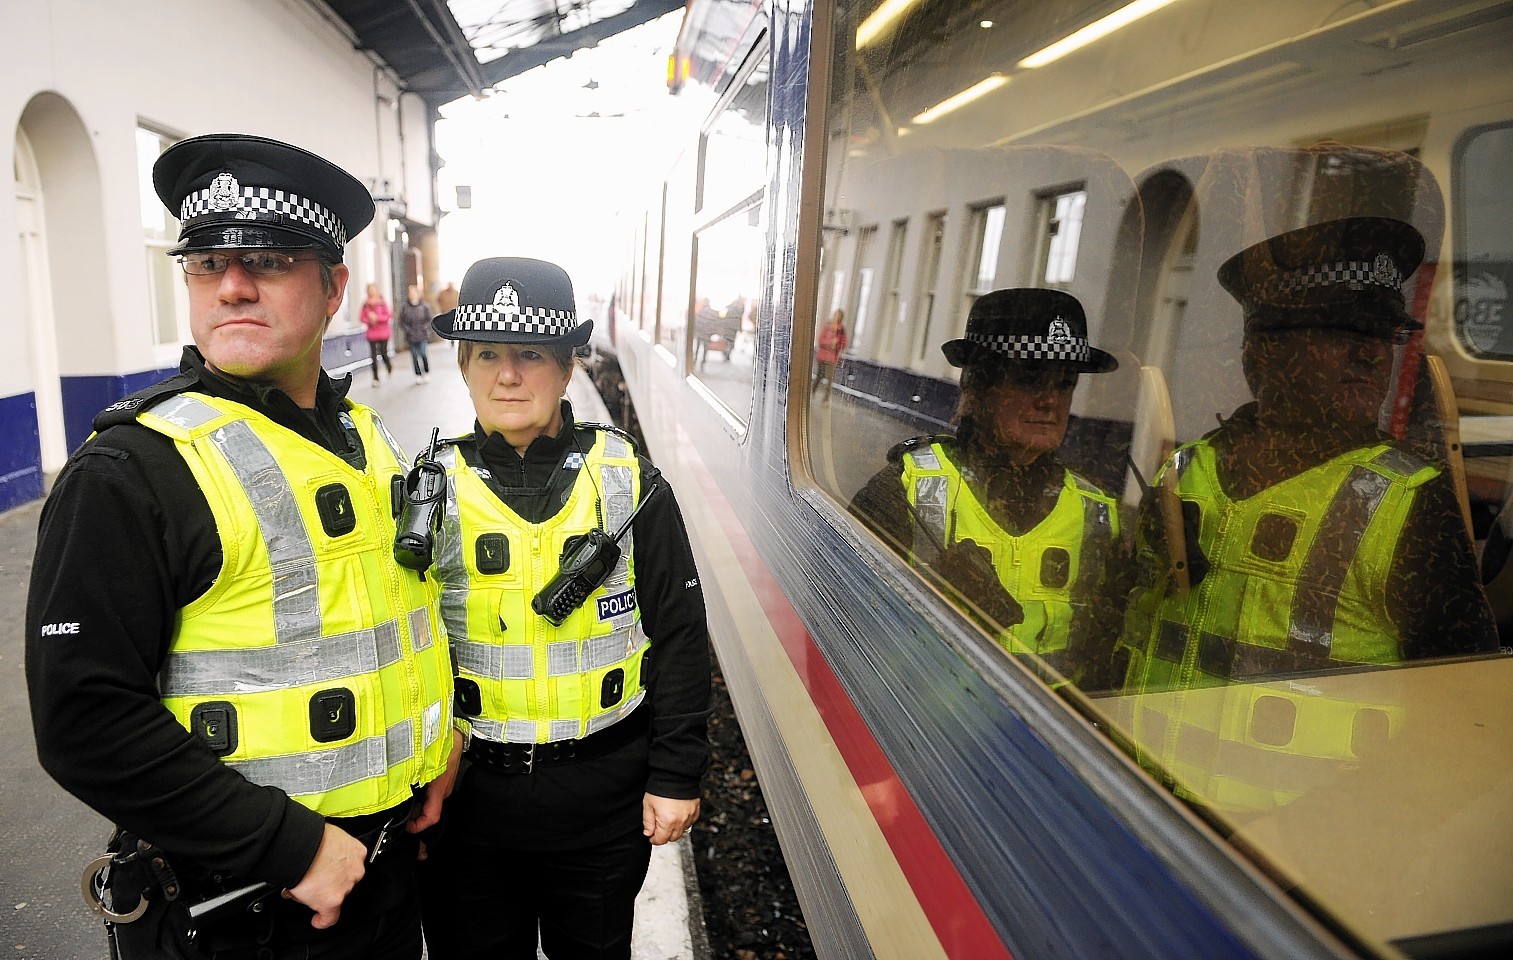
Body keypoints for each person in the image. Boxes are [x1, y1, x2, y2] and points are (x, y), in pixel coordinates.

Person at [25, 133, 461, 960]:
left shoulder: (361, 438)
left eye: (264, 259)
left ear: (333, 286)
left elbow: (389, 617)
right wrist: (289, 847)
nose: (230, 285)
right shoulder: (133, 469)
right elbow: (85, 719)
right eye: (203, 262)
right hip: (241, 908)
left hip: (382, 877)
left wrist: (436, 744)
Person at [1113, 215, 1500, 814]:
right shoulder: (1185, 472)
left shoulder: (1410, 505)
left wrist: (1301, 852)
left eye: (1381, 336)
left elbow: (1466, 727)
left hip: (1288, 879)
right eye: (1340, 331)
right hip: (1132, 819)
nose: (1371, 354)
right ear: (1262, 350)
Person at [416, 257, 712, 960]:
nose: (508, 375)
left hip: (601, 802)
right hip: (467, 807)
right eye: (487, 353)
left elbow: (678, 630)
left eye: (531, 354)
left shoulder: (629, 481)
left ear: (568, 367)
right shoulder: (423, 491)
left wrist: (676, 773)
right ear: (463, 366)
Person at [850, 288, 1127, 687]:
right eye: (1030, 378)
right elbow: (840, 631)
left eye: (1065, 383)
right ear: (977, 388)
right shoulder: (903, 491)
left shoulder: (1098, 515)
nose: (1050, 400)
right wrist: (932, 609)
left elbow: (1105, 656)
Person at [398, 283, 433, 383]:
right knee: (414, 356)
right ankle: (418, 374)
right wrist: (408, 330)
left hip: (422, 335)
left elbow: (429, 319)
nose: (412, 294)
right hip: (411, 336)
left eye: (414, 292)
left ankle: (426, 372)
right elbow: (401, 321)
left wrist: (424, 328)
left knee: (423, 353)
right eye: (410, 293)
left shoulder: (424, 306)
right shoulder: (405, 307)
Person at [361, 282, 394, 385]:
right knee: (373, 356)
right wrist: (369, 319)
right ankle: (375, 378)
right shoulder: (365, 304)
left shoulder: (382, 303)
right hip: (372, 333)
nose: (371, 291)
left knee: (384, 353)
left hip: (383, 332)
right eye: (369, 289)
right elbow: (362, 318)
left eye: (373, 289)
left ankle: (389, 366)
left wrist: (377, 318)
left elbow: (388, 315)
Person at [813, 308, 848, 400]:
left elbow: (843, 343)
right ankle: (812, 393)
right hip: (822, 356)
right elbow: (820, 340)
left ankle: (825, 399)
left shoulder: (841, 330)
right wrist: (829, 343)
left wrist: (837, 345)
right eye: (836, 315)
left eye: (839, 316)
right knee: (819, 376)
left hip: (832, 358)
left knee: (829, 379)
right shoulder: (827, 326)